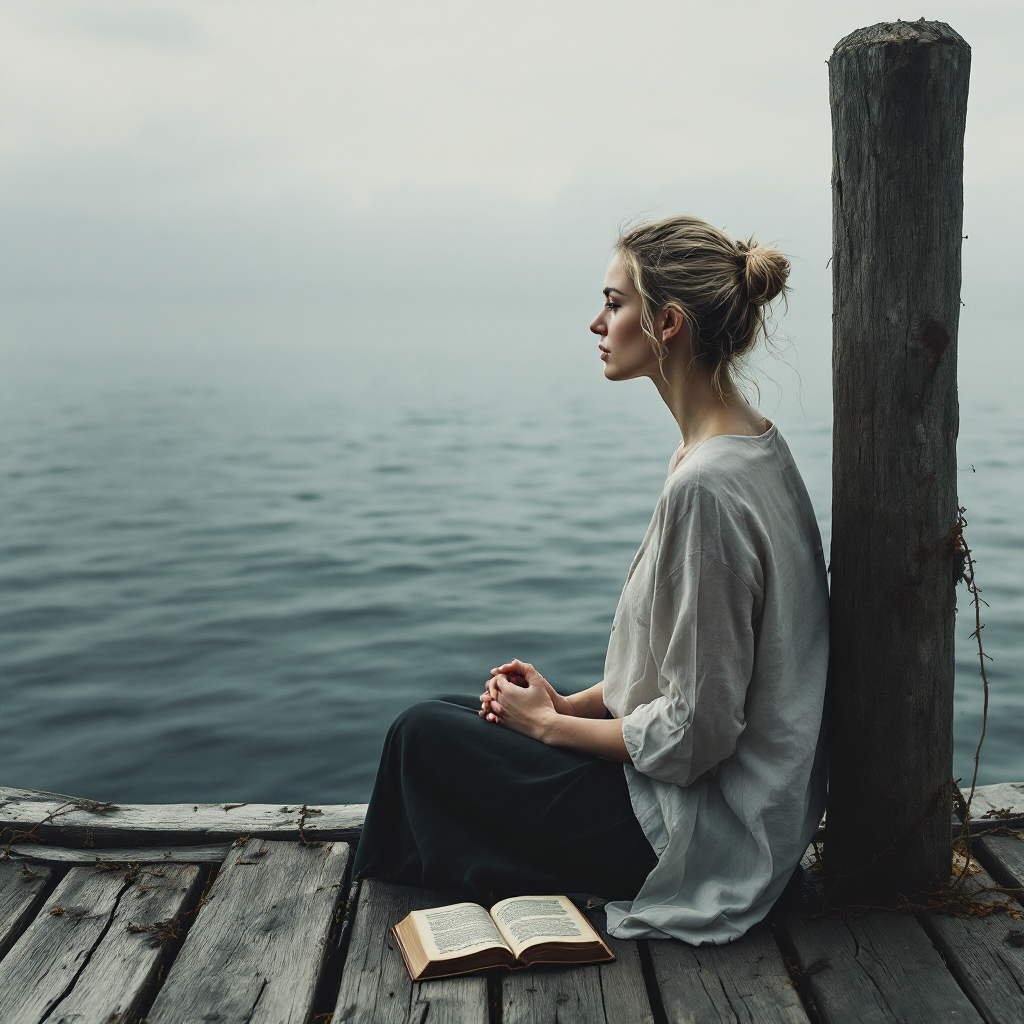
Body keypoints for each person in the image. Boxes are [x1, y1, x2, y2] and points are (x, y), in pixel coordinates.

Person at [352, 215, 829, 944]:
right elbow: (692, 667)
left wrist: (551, 728)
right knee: (450, 713)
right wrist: (565, 706)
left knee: (420, 738)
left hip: (700, 832)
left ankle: (412, 906)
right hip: (711, 800)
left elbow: (700, 731)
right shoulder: (745, 446)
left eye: (614, 302)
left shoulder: (706, 488)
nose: (596, 322)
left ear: (666, 323)